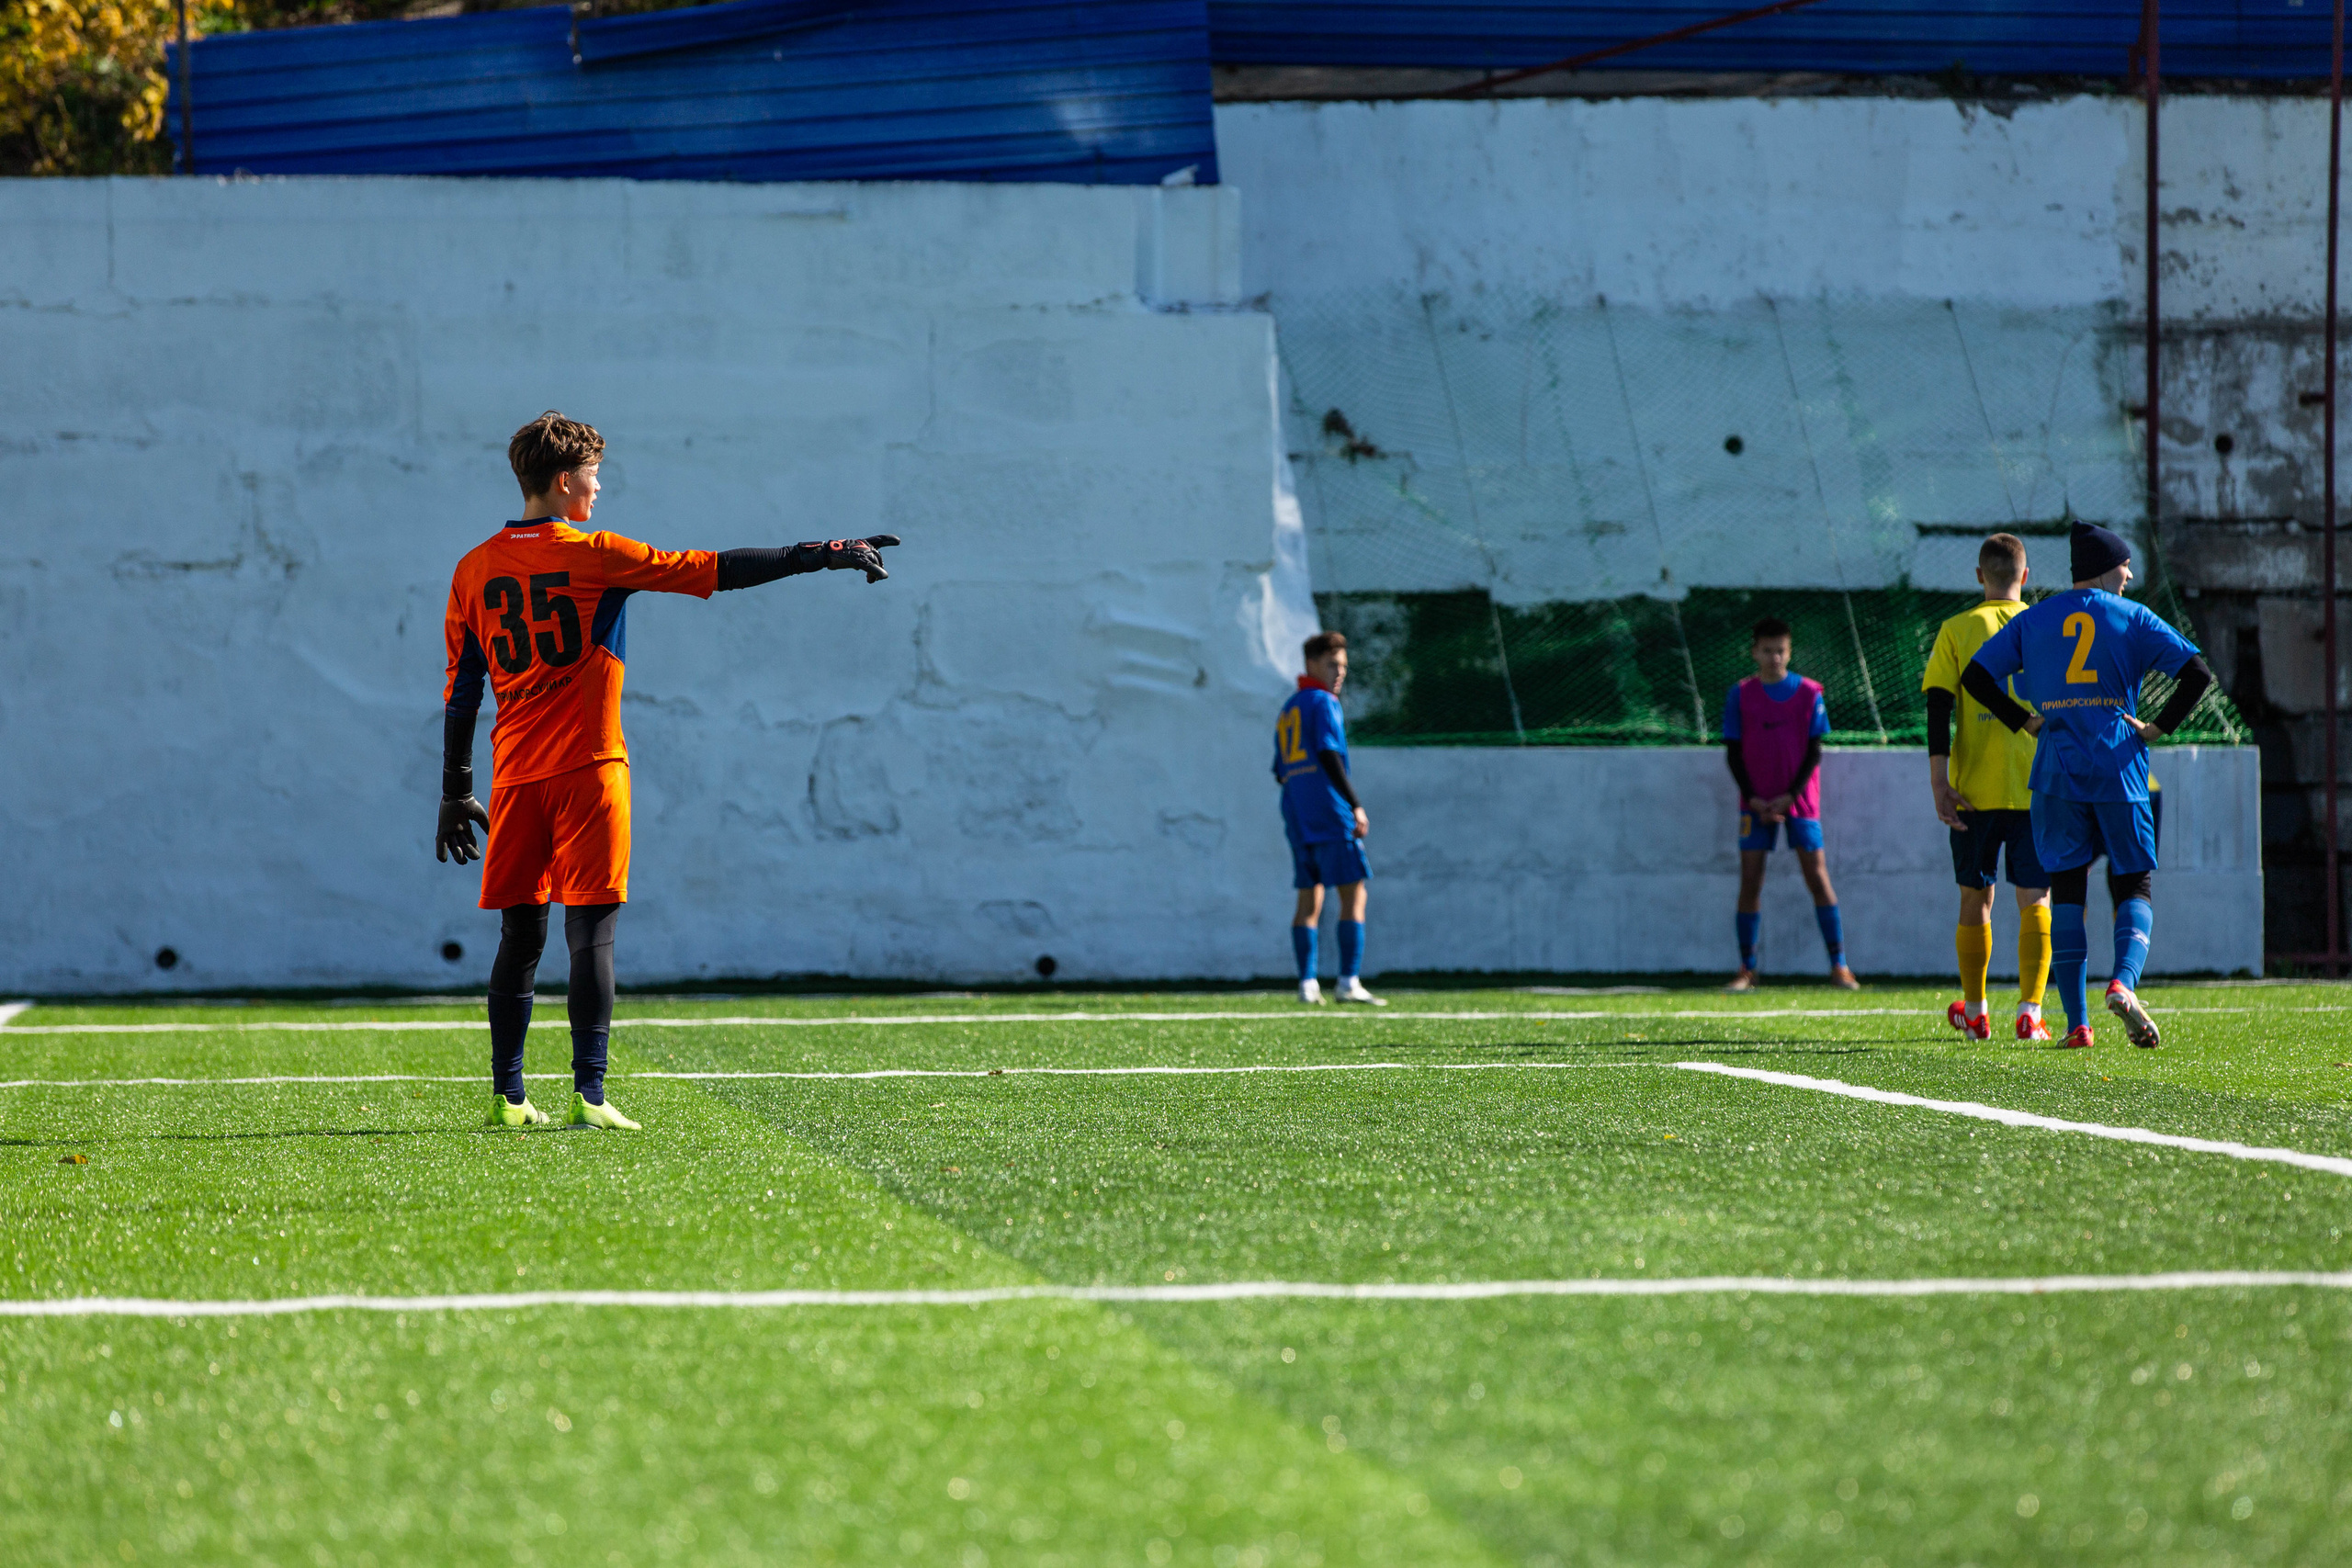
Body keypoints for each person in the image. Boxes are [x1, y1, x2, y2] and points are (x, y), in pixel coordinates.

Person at [436, 411, 898, 1128]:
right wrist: (824, 551)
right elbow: (712, 569)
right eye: (593, 477)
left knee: (518, 938)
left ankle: (509, 1096)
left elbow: (463, 689)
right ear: (564, 482)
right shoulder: (597, 554)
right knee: (590, 933)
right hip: (591, 772)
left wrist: (456, 788)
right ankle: (589, 1096)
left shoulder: (473, 568)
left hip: (516, 780)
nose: (597, 490)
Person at [1962, 522, 2214, 1049]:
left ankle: (2079, 1024)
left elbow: (1977, 678)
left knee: (2067, 892)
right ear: (2105, 567)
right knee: (2134, 883)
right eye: (2125, 566)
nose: (2128, 576)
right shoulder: (2133, 615)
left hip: (2055, 770)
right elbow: (2196, 674)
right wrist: (2155, 729)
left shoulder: (2036, 619)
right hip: (2120, 766)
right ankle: (2123, 981)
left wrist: (2025, 720)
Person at [1922, 533, 2052, 1041]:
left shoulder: (1956, 629)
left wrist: (1938, 780)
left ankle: (1976, 1011)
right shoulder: (2046, 627)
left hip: (1972, 788)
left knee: (1975, 897)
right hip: (2037, 785)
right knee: (2036, 898)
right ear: (2025, 575)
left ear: (1980, 576)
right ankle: (2031, 1012)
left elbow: (1937, 707)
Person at [1724, 618, 1858, 991]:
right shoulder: (1741, 694)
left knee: (1817, 878)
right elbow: (1732, 753)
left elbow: (1815, 751)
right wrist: (1753, 797)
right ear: (1754, 652)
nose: (1774, 657)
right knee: (1750, 880)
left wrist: (1790, 795)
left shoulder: (1810, 693)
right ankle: (1746, 968)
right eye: (1766, 650)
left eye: (1780, 650)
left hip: (1800, 805)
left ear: (1789, 651)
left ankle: (1839, 966)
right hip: (1754, 805)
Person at [1275, 631, 1384, 1005]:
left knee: (1309, 900)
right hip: (1329, 812)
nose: (1339, 673)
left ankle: (1307, 985)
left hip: (1297, 813)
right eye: (1332, 665)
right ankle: (1348, 981)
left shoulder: (1289, 707)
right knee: (1354, 893)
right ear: (1311, 664)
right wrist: (1355, 804)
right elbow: (1328, 754)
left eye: (1342, 667)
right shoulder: (1323, 702)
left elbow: (1280, 770)